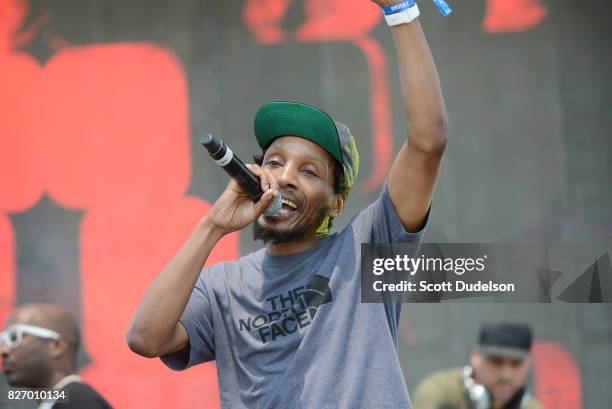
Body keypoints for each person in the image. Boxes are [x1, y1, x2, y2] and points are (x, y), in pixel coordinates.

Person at [127, 0, 447, 407]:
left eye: (309, 172)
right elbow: (145, 339)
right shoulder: (222, 287)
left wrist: (401, 11)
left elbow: (428, 141)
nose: (285, 177)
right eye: (274, 163)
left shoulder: (367, 249)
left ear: (336, 204)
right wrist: (213, 225)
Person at [0, 303, 113, 409]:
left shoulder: (79, 402)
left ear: (56, 346)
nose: (4, 351)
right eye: (2, 341)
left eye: (14, 337)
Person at [412, 323, 543, 409]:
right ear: (476, 357)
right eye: (496, 361)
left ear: (528, 364)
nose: (506, 374)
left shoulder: (531, 406)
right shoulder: (439, 392)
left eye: (516, 364)